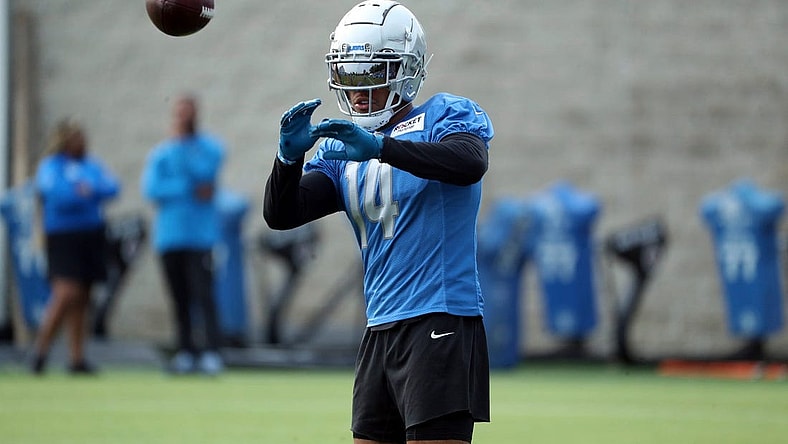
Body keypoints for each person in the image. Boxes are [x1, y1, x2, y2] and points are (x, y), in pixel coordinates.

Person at [263, 2, 493, 442]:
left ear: (406, 70)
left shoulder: (443, 115)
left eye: (372, 73)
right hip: (379, 326)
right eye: (349, 76)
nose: (359, 90)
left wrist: (381, 148)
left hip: (439, 317)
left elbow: (469, 162)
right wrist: (287, 159)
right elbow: (282, 213)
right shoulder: (344, 149)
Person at [141, 94, 225, 375]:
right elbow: (153, 189)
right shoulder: (163, 153)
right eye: (179, 113)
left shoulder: (208, 148)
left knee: (204, 294)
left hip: (201, 237)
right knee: (179, 298)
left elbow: (206, 174)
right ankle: (185, 351)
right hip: (170, 237)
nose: (184, 117)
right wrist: (187, 187)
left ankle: (211, 351)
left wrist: (184, 169)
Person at [31, 118, 121, 375]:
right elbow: (56, 193)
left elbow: (112, 187)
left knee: (83, 298)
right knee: (66, 293)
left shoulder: (91, 165)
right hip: (63, 236)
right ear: (64, 141)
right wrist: (82, 193)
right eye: (76, 138)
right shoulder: (51, 166)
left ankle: (77, 358)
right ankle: (40, 351)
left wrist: (88, 190)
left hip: (91, 235)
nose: (82, 142)